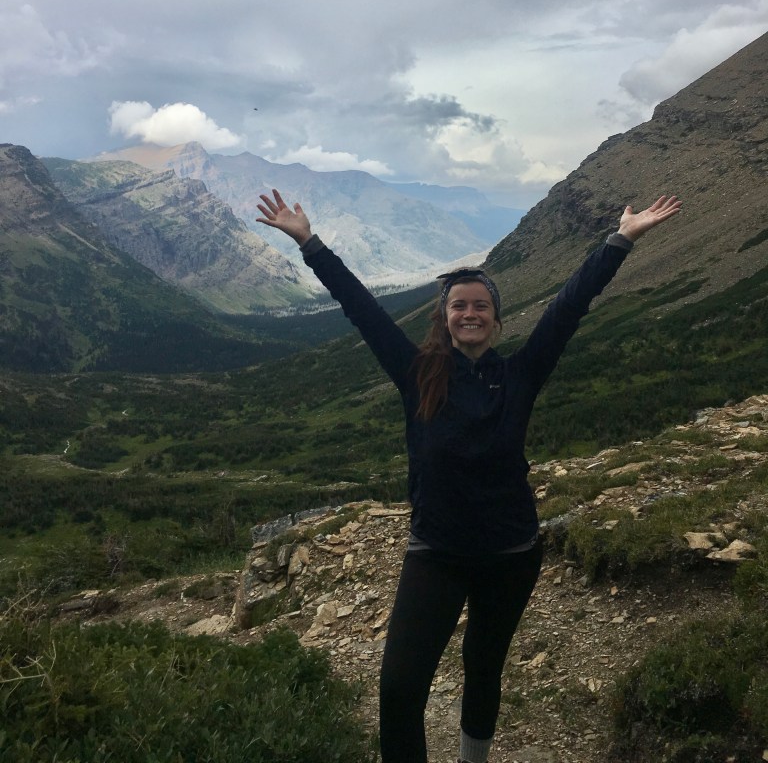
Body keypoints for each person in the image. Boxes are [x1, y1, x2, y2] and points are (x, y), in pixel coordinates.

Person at [256, 190, 682, 763]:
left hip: (511, 552)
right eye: (459, 306)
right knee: (400, 689)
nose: (471, 313)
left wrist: (621, 240)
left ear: (496, 318)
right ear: (446, 318)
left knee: (484, 668)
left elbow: (569, 307)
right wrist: (310, 242)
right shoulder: (417, 373)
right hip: (437, 552)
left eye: (481, 305)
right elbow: (361, 307)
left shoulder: (520, 374)